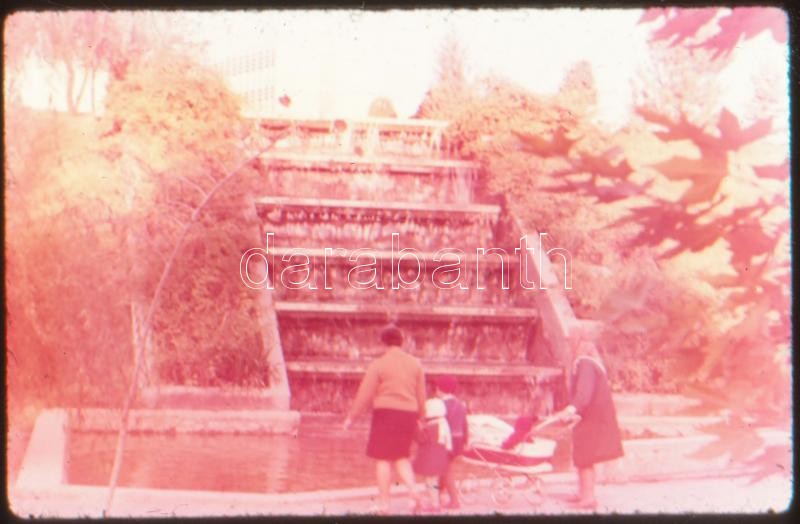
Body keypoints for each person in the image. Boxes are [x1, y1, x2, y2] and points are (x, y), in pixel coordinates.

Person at [342, 324, 426, 514]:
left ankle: (384, 504)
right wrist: (422, 417)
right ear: (402, 342)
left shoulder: (379, 364)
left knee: (383, 459)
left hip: (386, 413)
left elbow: (364, 394)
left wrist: (351, 418)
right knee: (401, 457)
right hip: (408, 414)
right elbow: (421, 394)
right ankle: (413, 491)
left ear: (383, 343)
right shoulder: (416, 364)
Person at [554, 338, 624, 509]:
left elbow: (584, 394)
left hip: (591, 418)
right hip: (593, 416)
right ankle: (583, 493)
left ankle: (588, 498)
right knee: (584, 456)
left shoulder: (585, 364)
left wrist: (570, 410)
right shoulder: (592, 364)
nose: (571, 347)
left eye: (574, 343)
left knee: (585, 457)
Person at [435, 375, 469, 509]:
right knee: (443, 468)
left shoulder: (441, 405)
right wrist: (465, 441)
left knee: (446, 470)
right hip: (458, 440)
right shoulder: (461, 404)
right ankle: (437, 496)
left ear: (439, 389)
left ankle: (454, 501)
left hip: (446, 440)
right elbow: (465, 424)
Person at [412, 397, 452, 512]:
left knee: (430, 482)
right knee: (433, 481)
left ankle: (435, 504)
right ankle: (436, 501)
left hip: (431, 460)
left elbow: (421, 438)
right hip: (439, 459)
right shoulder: (441, 424)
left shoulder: (432, 426)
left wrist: (416, 427)